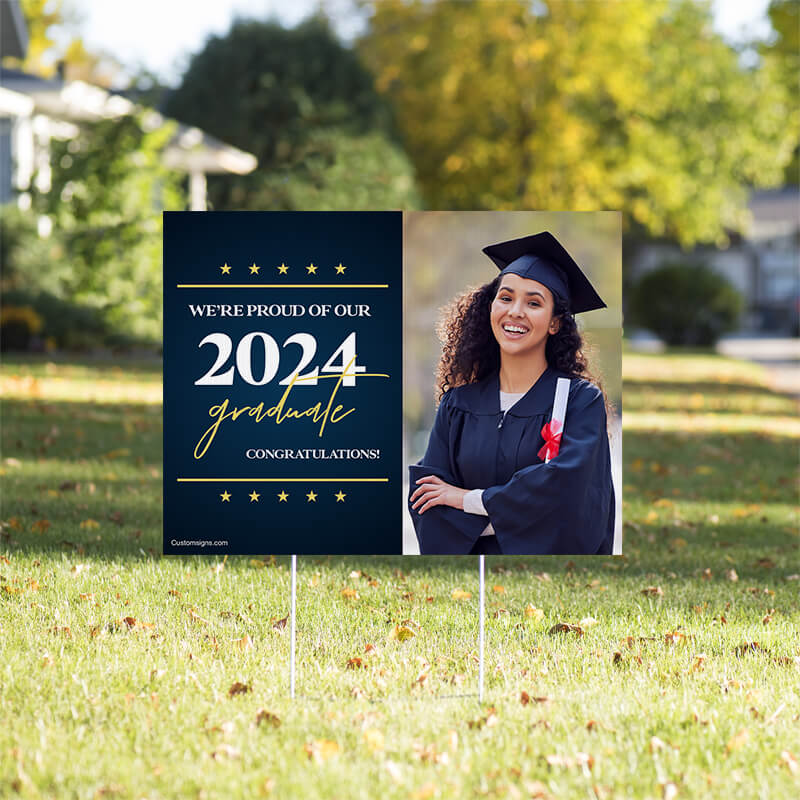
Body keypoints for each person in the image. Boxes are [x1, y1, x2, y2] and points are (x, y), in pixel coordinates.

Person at [408, 231, 615, 555]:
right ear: (490, 307)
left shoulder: (578, 401)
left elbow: (572, 504)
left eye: (533, 303)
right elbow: (427, 502)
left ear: (555, 323)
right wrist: (516, 517)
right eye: (506, 298)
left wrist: (465, 500)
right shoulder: (458, 404)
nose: (515, 311)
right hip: (467, 585)